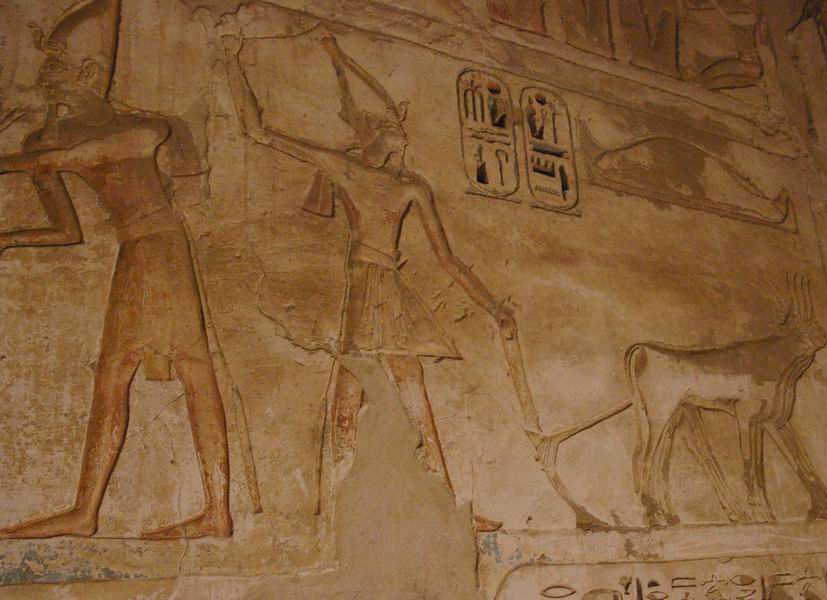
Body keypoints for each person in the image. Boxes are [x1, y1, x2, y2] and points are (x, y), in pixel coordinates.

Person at [218, 23, 515, 529]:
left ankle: (442, 502)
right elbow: (258, 131)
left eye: (395, 130)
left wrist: (494, 307)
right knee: (354, 387)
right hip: (365, 285)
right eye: (384, 128)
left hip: (389, 288)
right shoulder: (348, 169)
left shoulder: (412, 187)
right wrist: (231, 60)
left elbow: (447, 259)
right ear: (371, 136)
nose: (395, 136)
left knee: (402, 384)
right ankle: (342, 502)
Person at [0, 0, 232, 539]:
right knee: (117, 373)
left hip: (161, 248)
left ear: (86, 71)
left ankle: (214, 510)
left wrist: (40, 160)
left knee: (185, 370)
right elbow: (66, 229)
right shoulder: (47, 142)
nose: (44, 79)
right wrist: (9, 240)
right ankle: (88, 511)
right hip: (135, 251)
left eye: (54, 67)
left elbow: (137, 141)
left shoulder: (136, 125)